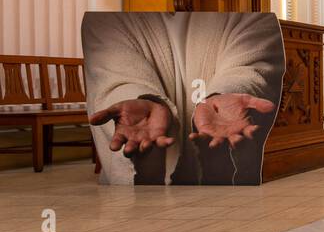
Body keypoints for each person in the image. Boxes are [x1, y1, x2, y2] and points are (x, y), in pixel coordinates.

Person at [83, 12, 283, 185]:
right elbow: (114, 73)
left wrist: (224, 93)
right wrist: (139, 97)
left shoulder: (251, 13)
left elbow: (249, 64)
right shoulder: (106, 19)